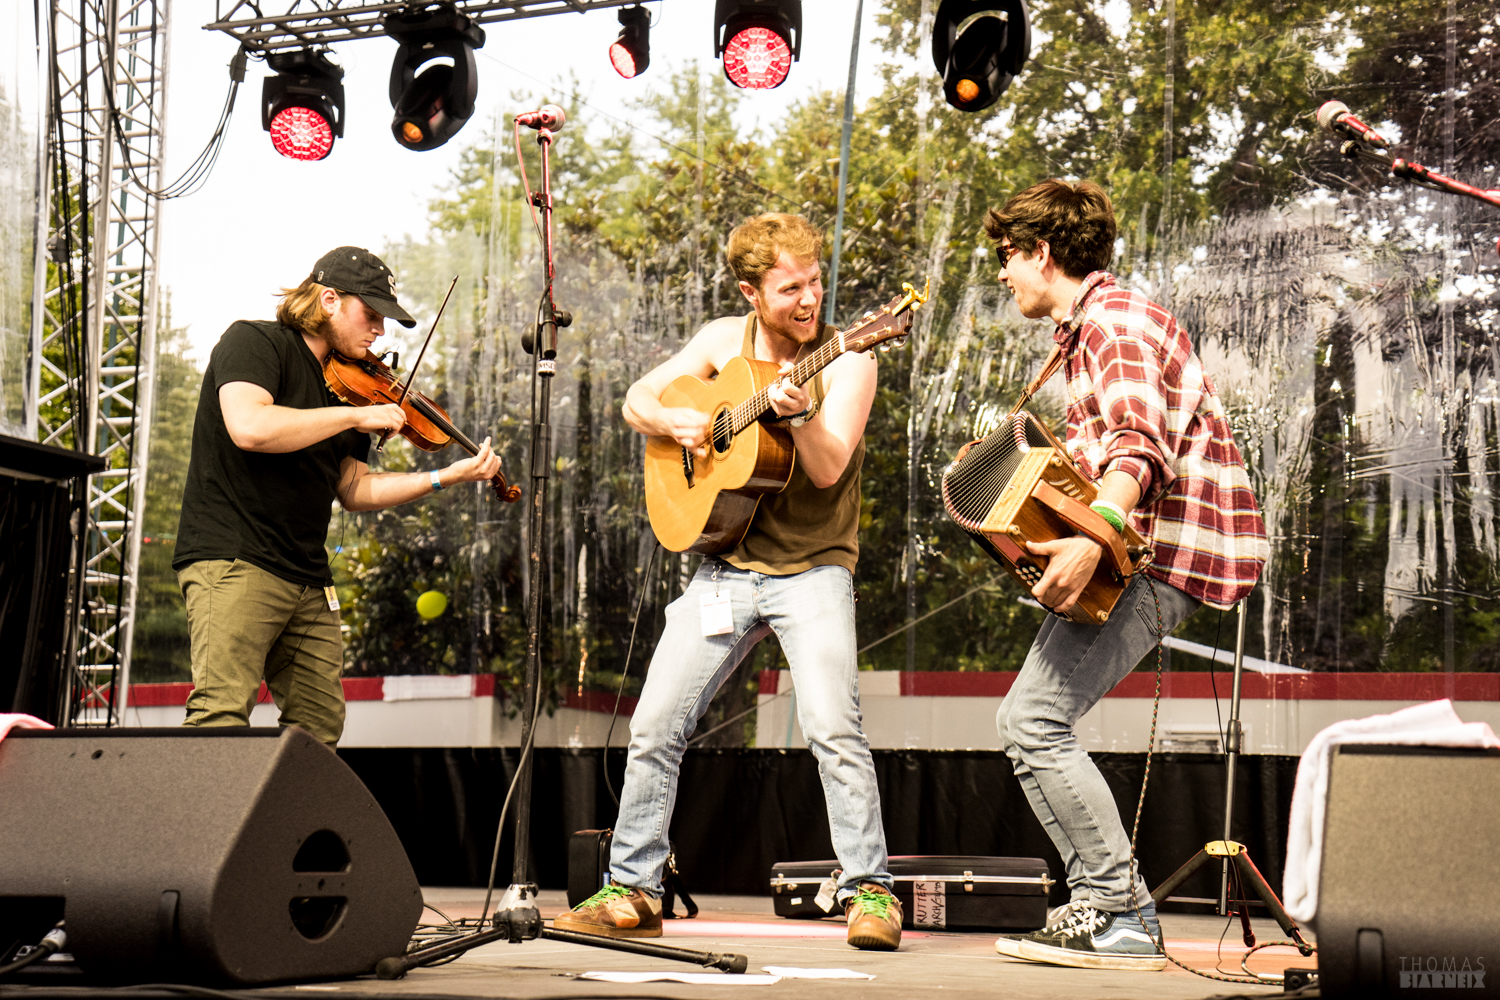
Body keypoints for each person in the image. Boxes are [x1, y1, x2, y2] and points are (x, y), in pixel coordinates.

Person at [554, 213, 902, 951]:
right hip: (725, 565)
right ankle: (635, 889)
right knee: (654, 726)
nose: (809, 299)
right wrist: (682, 426)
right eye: (789, 288)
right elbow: (636, 401)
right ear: (751, 291)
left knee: (834, 728)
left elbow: (828, 465)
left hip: (813, 569)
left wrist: (801, 417)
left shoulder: (848, 358)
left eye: (814, 281)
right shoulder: (721, 340)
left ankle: (869, 890)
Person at [983, 181, 1268, 971]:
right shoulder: (1089, 334)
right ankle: (1105, 905)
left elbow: (1140, 448)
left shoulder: (1115, 323)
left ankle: (1120, 910)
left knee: (1033, 723)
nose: (1003, 275)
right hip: (1141, 548)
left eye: (1007, 258)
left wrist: (1093, 537)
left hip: (1157, 552)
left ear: (1042, 252)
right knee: (1028, 724)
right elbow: (1101, 456)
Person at [172, 246, 502, 748]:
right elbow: (251, 426)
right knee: (220, 714)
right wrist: (354, 417)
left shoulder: (347, 388)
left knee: (319, 726)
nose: (379, 332)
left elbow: (353, 489)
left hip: (306, 574)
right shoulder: (254, 341)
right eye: (370, 315)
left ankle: (280, 828)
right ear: (329, 300)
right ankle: (196, 829)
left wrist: (446, 477)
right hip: (235, 558)